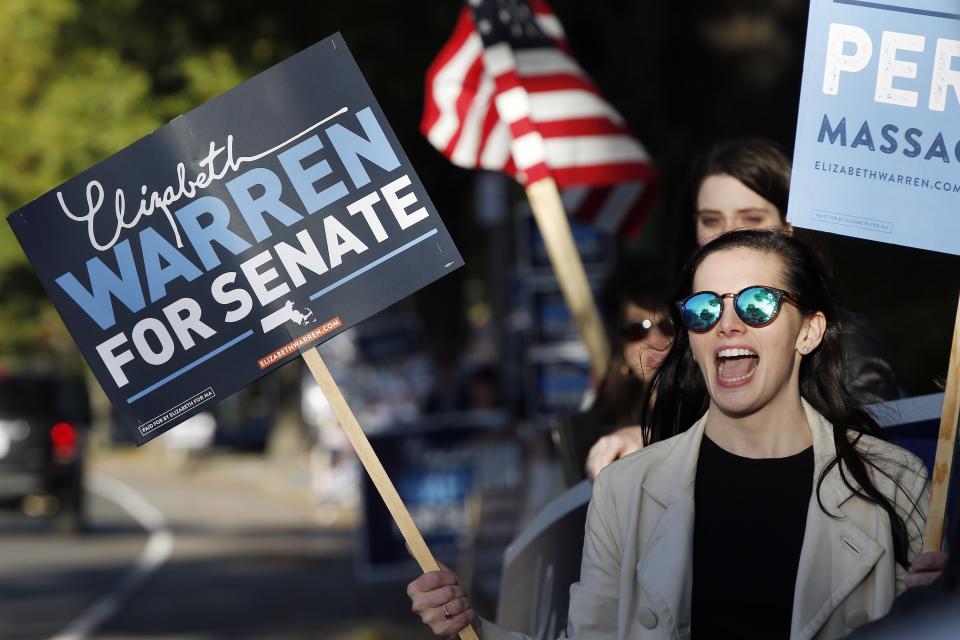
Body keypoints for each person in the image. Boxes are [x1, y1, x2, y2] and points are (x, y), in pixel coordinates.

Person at [407, 230, 943, 639]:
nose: (728, 324)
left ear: (809, 330)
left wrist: (933, 611)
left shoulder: (892, 481)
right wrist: (470, 625)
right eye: (705, 309)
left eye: (757, 304)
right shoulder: (626, 490)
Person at [586, 139, 900, 477]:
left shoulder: (845, 339)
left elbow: (868, 461)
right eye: (710, 220)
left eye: (751, 217)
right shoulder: (680, 334)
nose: (728, 234)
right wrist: (647, 439)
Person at [552, 265, 674, 484]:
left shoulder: (713, 407)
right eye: (637, 328)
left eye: (668, 325)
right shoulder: (591, 427)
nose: (655, 342)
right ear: (621, 344)